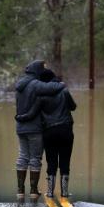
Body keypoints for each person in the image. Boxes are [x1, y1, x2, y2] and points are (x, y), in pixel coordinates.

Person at [16, 69, 76, 197]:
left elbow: (32, 113)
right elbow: (73, 107)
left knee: (51, 161)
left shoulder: (42, 96)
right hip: (66, 130)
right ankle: (64, 192)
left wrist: (20, 117)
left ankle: (49, 192)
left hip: (49, 132)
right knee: (65, 160)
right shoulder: (64, 91)